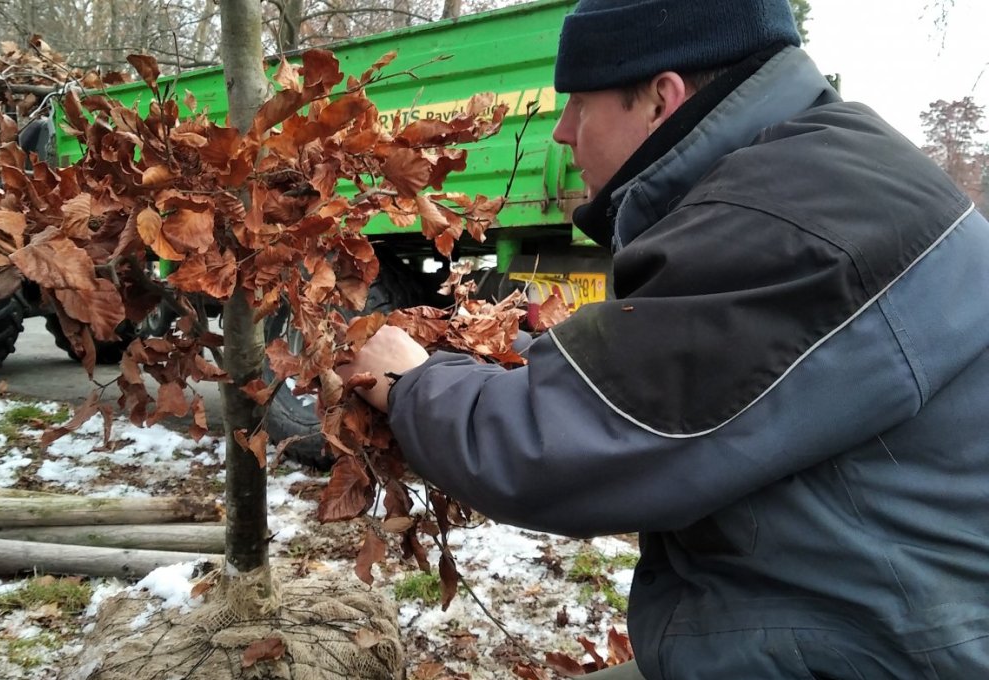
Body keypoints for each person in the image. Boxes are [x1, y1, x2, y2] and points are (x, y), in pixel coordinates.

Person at [340, 0, 989, 677]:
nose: (562, 133)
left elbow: (561, 450)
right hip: (877, 614)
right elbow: (654, 376)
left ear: (661, 99)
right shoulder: (821, 170)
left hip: (887, 650)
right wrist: (483, 355)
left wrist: (408, 383)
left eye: (580, 107)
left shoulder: (779, 221)